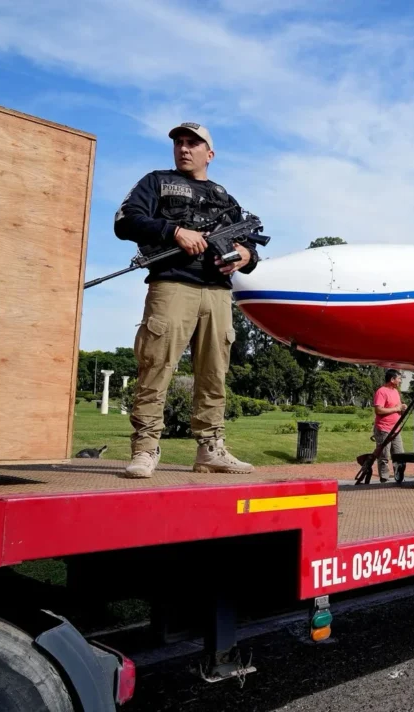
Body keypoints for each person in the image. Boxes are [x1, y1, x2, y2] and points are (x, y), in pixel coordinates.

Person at [116, 122, 260, 479]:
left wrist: (245, 256)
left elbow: (249, 247)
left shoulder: (226, 198)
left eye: (192, 143)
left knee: (214, 374)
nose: (183, 148)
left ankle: (210, 449)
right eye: (179, 142)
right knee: (156, 365)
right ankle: (145, 448)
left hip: (218, 293)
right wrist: (175, 231)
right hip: (172, 285)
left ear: (209, 154)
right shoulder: (157, 181)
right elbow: (125, 221)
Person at [372, 369, 407, 482]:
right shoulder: (381, 392)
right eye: (399, 378)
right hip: (383, 428)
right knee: (384, 455)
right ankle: (384, 478)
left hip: (395, 428)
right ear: (392, 379)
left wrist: (402, 408)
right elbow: (379, 410)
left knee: (399, 454)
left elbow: (397, 406)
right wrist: (396, 409)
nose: (400, 381)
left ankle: (398, 475)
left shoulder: (395, 392)